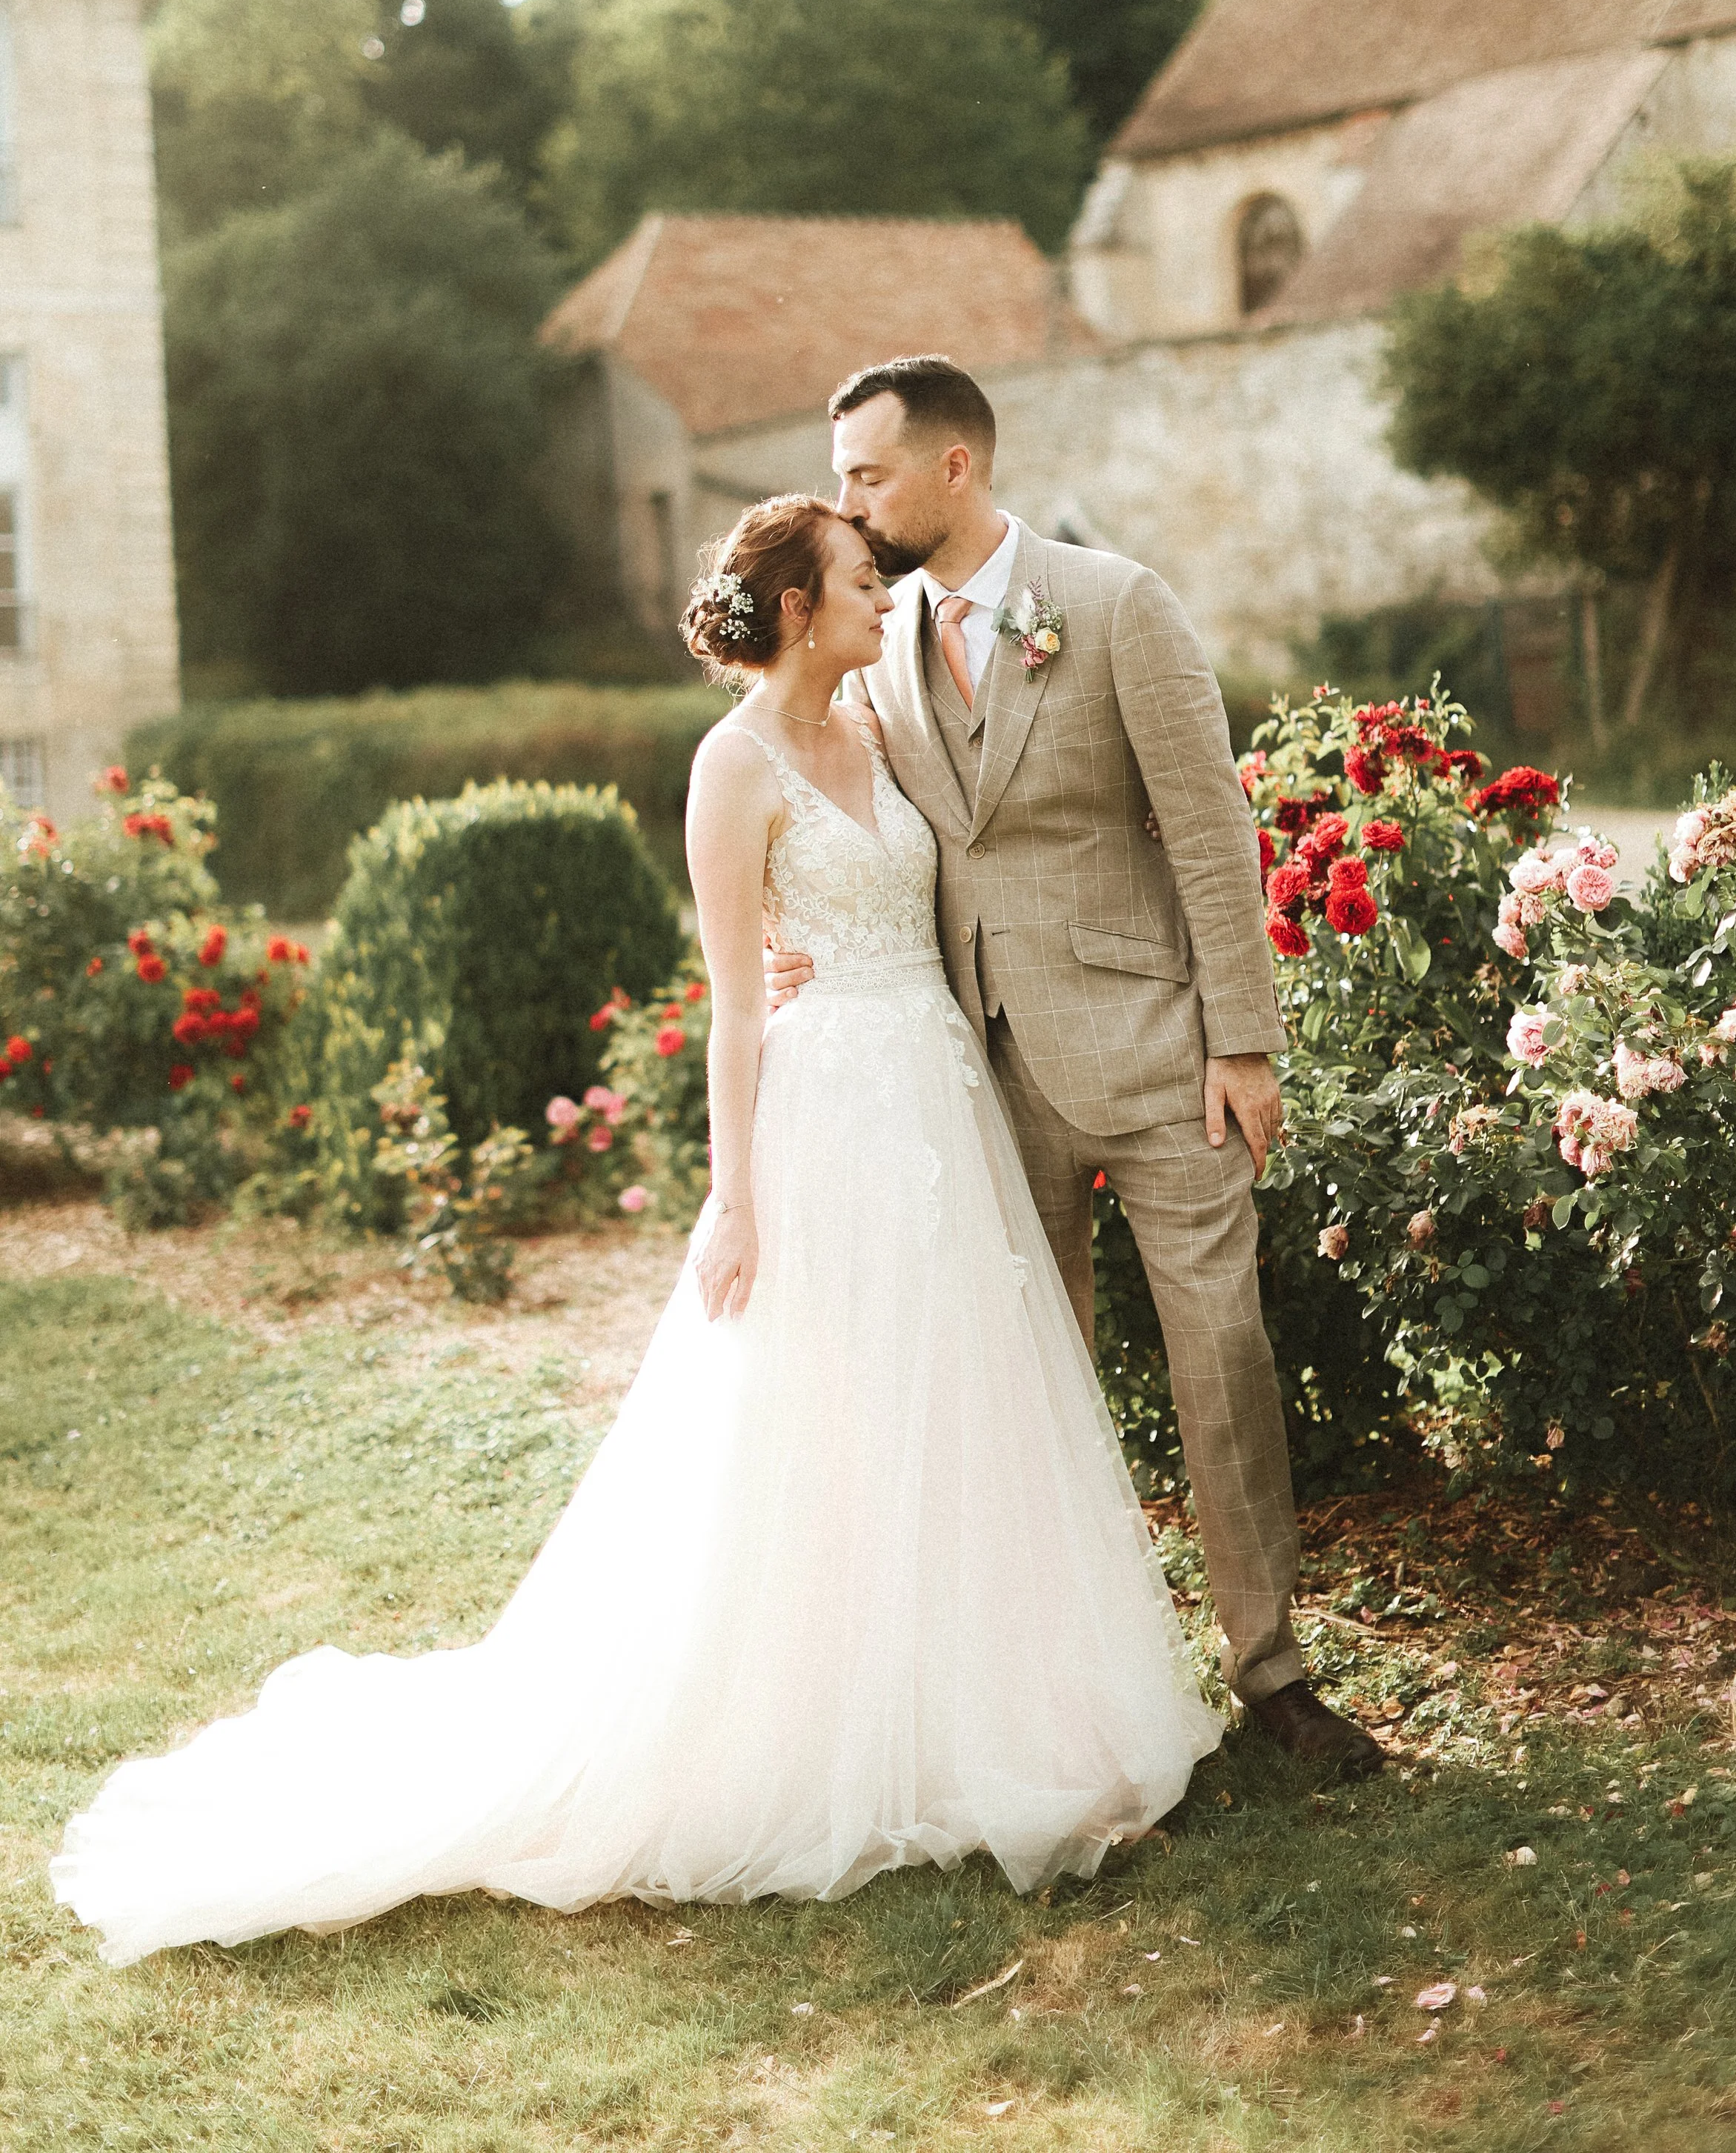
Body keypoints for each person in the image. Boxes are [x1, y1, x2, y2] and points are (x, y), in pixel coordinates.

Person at [51, 494, 1221, 1969]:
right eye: (862, 582)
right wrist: (733, 1199)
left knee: (954, 1404)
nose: (885, 600)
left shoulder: (883, 729)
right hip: (826, 1117)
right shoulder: (730, 771)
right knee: (822, 1415)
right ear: (798, 607)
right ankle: (824, 1722)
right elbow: (737, 1006)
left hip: (937, 1096)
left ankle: (977, 1700)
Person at [766, 355, 1381, 1778]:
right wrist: (787, 936)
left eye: (866, 473)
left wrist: (1244, 1041)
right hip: (975, 1072)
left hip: (1162, 1055)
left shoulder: (1112, 607)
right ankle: (1065, 1684)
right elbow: (820, 794)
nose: (847, 504)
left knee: (1217, 1353)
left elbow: (1211, 834)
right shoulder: (883, 638)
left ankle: (1273, 1678)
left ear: (952, 467)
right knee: (1026, 1379)